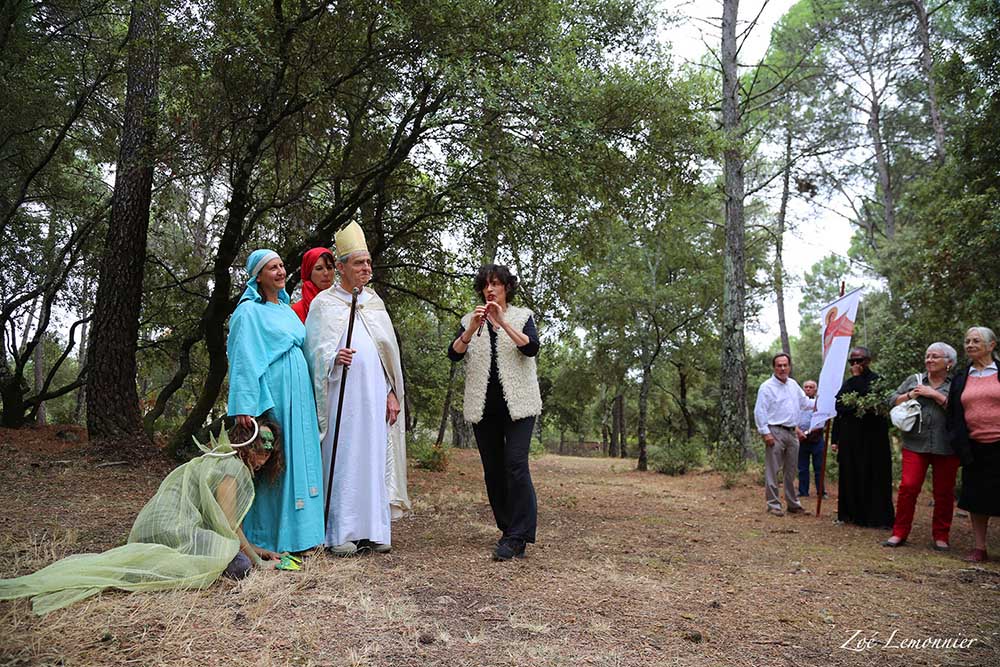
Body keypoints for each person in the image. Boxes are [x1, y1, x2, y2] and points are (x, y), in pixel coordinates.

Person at [0, 419, 283, 616]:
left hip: (163, 526)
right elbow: (229, 527)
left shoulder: (225, 460)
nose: (266, 453)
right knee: (240, 567)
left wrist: (259, 550)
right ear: (246, 442)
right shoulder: (232, 469)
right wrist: (257, 562)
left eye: (271, 449)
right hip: (172, 528)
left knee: (236, 559)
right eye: (261, 445)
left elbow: (229, 525)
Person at [303, 222, 410, 556]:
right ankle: (342, 531)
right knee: (346, 455)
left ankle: (375, 530)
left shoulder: (375, 304)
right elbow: (312, 353)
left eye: (368, 263)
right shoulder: (324, 304)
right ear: (342, 267)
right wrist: (333, 357)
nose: (367, 269)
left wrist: (392, 393)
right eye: (359, 263)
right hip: (341, 397)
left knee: (375, 455)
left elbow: (387, 355)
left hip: (375, 397)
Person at [227, 249, 325, 553]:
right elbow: (243, 359)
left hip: (300, 393)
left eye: (282, 266)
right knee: (274, 460)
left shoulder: (286, 311)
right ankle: (267, 536)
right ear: (258, 276)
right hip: (275, 392)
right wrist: (245, 404)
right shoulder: (248, 313)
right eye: (273, 268)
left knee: (301, 456)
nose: (281, 272)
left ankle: (303, 536)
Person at [448, 264, 541, 560]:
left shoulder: (522, 316)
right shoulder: (469, 320)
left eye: (496, 284)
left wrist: (503, 323)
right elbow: (453, 354)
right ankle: (508, 530)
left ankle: (518, 536)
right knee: (493, 472)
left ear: (506, 287)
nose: (490, 289)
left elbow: (531, 349)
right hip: (483, 408)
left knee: (515, 464)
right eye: (486, 285)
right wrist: (472, 329)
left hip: (520, 406)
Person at [884, 343, 959, 550]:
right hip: (915, 443)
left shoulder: (957, 383)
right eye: (927, 356)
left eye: (935, 357)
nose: (929, 360)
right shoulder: (914, 380)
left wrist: (934, 395)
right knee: (908, 487)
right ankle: (899, 532)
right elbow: (891, 399)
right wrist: (910, 395)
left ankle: (941, 536)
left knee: (944, 492)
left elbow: (961, 410)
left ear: (949, 363)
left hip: (947, 445)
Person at [946, 326, 1000, 562]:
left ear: (991, 345)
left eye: (976, 341)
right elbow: (953, 412)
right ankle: (980, 547)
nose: (969, 345)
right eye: (967, 341)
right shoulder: (961, 376)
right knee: (977, 498)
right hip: (974, 446)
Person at [831, 346, 895, 528]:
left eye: (860, 361)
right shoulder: (849, 383)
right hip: (851, 439)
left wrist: (859, 398)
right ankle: (850, 514)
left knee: (875, 476)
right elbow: (840, 407)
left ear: (868, 361)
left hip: (873, 440)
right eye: (853, 362)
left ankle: (876, 517)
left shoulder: (878, 382)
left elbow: (872, 405)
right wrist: (836, 439)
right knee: (850, 474)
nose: (856, 365)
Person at [753, 353, 814, 516]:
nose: (782, 368)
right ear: (774, 367)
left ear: (789, 366)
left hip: (792, 433)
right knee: (773, 470)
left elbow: (806, 403)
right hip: (775, 431)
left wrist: (823, 402)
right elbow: (760, 411)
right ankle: (773, 504)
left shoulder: (793, 385)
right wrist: (765, 433)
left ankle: (793, 504)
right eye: (779, 365)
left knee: (791, 470)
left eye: (785, 365)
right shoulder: (767, 387)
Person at [291, 247, 336, 323]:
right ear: (309, 273)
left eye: (329, 268)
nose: (326, 273)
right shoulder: (297, 310)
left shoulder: (344, 302)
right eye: (319, 269)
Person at [797, 379, 825, 498]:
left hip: (816, 439)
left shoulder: (820, 404)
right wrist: (798, 432)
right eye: (806, 387)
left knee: (819, 467)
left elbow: (821, 423)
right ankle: (803, 491)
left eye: (810, 387)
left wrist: (807, 432)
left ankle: (821, 492)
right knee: (802, 467)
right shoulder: (798, 404)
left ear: (815, 389)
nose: (808, 389)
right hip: (801, 440)